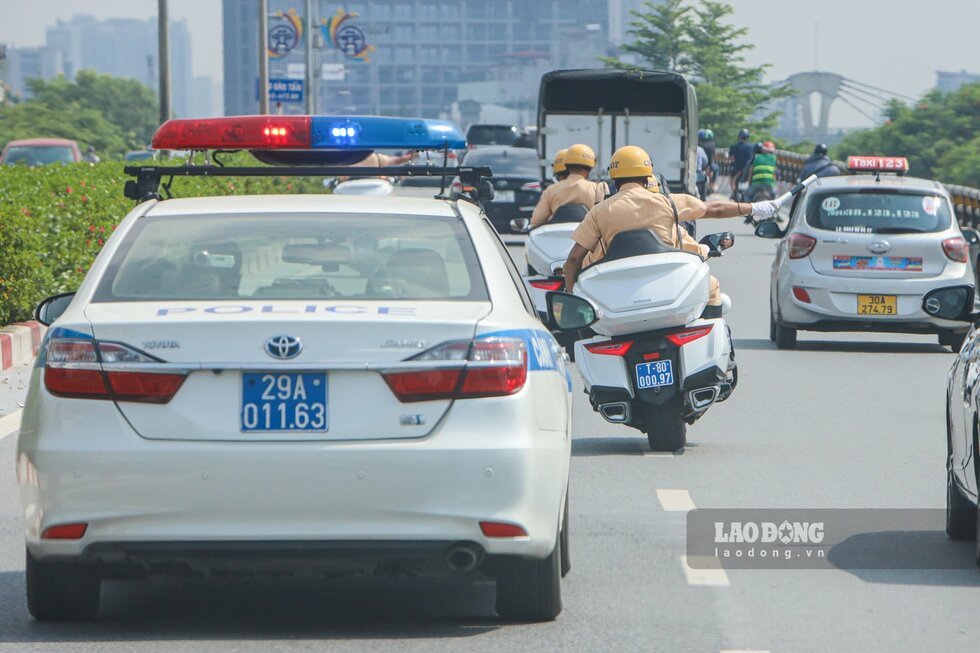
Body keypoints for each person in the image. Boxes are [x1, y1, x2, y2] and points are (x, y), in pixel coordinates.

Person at [562, 146, 780, 312]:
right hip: (666, 283)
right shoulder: (668, 203)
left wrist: (570, 292)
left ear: (614, 177)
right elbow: (716, 209)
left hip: (617, 292)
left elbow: (573, 260)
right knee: (711, 286)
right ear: (647, 174)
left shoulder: (600, 211)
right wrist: (756, 208)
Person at [529, 143, 609, 228]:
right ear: (590, 168)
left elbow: (536, 222)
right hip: (587, 238)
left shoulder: (551, 190)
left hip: (556, 237)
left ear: (567, 166)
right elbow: (606, 221)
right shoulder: (598, 189)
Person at [728, 128, 754, 200]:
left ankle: (733, 192)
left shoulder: (733, 147)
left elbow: (730, 158)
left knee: (731, 176)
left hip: (737, 169)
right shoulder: (752, 147)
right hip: (748, 169)